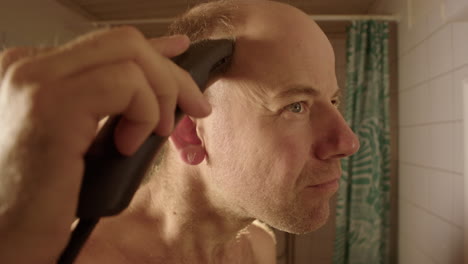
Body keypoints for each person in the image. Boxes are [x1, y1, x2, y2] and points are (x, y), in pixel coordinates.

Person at [0, 0, 359, 263]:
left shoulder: (260, 247)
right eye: (295, 106)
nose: (347, 142)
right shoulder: (73, 256)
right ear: (189, 131)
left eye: (334, 101)